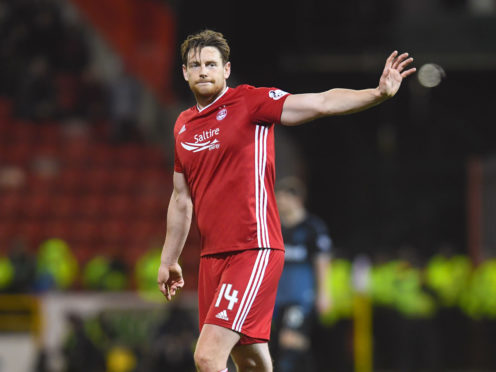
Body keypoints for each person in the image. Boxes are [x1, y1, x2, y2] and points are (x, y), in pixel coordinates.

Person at [157, 29, 415, 372]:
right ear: (185, 73)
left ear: (226, 70)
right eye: (195, 65)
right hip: (211, 257)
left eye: (211, 64)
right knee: (249, 357)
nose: (203, 70)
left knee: (207, 356)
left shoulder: (250, 102)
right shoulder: (183, 126)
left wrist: (377, 93)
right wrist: (168, 258)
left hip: (253, 248)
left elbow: (320, 102)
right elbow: (180, 199)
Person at [272, 176, 332, 372]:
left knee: (289, 342)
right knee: (282, 345)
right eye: (277, 200)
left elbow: (322, 261)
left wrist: (324, 294)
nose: (279, 204)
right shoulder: (274, 228)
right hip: (276, 298)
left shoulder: (312, 228)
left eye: (283, 200)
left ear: (297, 200)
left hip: (301, 298)